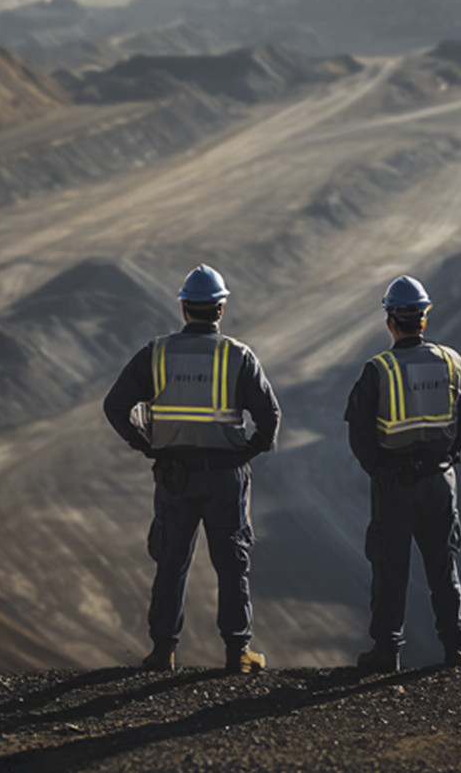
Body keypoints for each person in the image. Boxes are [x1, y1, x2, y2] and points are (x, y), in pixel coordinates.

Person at [103, 264, 281, 673]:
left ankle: (163, 651)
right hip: (225, 476)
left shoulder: (157, 353)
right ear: (219, 309)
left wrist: (147, 445)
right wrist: (246, 452)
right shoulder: (238, 356)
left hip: (174, 475)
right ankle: (238, 653)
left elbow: (115, 406)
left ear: (185, 307)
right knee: (232, 562)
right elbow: (269, 416)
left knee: (171, 561)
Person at [345, 274, 461, 673]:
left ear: (390, 320)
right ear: (425, 317)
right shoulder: (452, 361)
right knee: (442, 564)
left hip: (395, 486)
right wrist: (450, 454)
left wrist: (380, 470)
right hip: (440, 481)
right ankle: (455, 649)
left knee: (390, 567)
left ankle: (387, 651)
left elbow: (359, 432)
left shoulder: (378, 369)